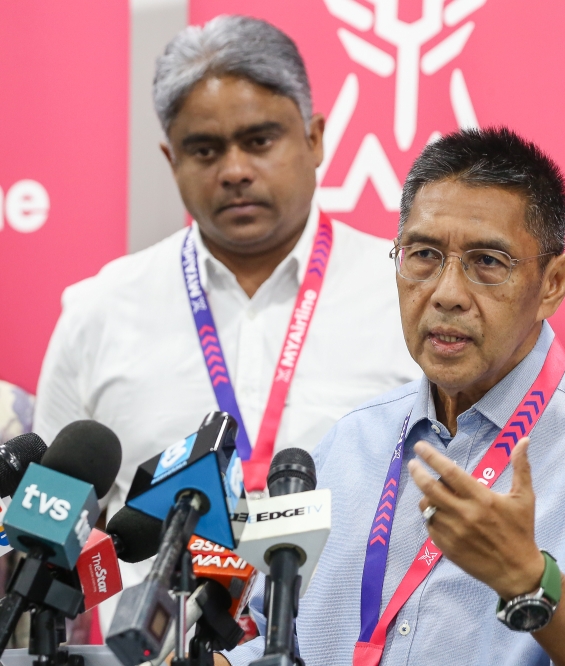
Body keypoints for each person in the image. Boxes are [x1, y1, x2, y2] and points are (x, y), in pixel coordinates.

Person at [219, 127, 565, 666]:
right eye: (424, 254)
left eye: (488, 262)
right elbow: (266, 637)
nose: (447, 294)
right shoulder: (346, 444)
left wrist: (527, 579)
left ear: (553, 283)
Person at [33, 15, 419, 630]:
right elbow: (51, 530)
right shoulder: (98, 312)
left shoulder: (407, 293)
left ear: (315, 138)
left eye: (260, 140)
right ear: (171, 158)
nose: (234, 170)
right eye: (205, 150)